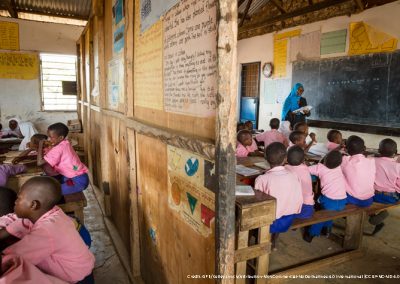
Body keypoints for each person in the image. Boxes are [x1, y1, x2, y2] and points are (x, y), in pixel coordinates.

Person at [0, 176, 95, 283]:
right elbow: (18, 222)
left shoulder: (47, 231)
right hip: (78, 259)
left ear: (33, 205)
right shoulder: (47, 211)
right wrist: (5, 229)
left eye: (19, 198)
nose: (15, 202)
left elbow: (14, 256)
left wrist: (4, 254)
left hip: (77, 277)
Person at [255, 142, 303, 248]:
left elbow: (257, 202)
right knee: (280, 206)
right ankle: (274, 242)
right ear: (286, 159)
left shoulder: (262, 179)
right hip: (289, 219)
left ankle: (261, 243)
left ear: (265, 158)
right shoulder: (294, 175)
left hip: (271, 222)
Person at [303, 151, 347, 242]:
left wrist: (306, 164)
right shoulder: (339, 167)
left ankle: (311, 234)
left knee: (321, 212)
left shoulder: (320, 167)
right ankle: (327, 230)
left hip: (329, 201)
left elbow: (305, 170)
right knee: (330, 212)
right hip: (343, 201)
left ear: (325, 160)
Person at [36, 123, 89, 195]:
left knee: (51, 192)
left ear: (61, 138)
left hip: (78, 182)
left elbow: (39, 162)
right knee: (52, 181)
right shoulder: (65, 142)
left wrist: (40, 145)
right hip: (75, 176)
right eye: (48, 137)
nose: (49, 139)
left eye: (51, 137)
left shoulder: (59, 149)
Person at [342, 135, 375, 207]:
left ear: (346, 149)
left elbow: (326, 162)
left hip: (352, 199)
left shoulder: (345, 161)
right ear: (364, 148)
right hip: (369, 199)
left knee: (333, 175)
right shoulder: (371, 161)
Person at [285, 146, 314, 219]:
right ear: (303, 160)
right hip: (307, 209)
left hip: (293, 208)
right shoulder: (306, 168)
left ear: (286, 159)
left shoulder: (286, 169)